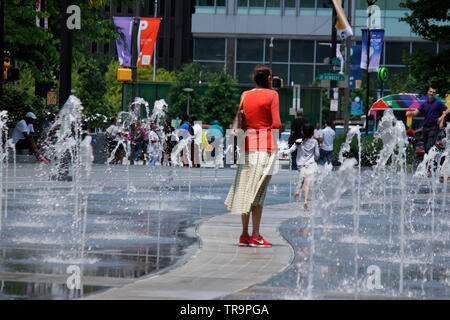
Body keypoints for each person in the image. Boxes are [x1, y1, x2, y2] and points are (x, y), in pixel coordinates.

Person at [224, 65, 281, 248]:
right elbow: (277, 124)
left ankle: (244, 234)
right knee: (258, 195)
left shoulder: (245, 95)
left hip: (247, 147)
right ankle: (256, 235)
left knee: (245, 192)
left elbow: (242, 120)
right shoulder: (273, 95)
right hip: (265, 147)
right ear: (269, 78)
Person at [282, 123, 319, 210]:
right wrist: (315, 157)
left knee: (303, 177)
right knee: (307, 182)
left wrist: (284, 153)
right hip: (310, 164)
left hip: (300, 165)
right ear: (312, 133)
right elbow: (317, 155)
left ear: (302, 132)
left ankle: (298, 190)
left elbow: (291, 150)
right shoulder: (315, 142)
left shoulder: (298, 141)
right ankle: (305, 200)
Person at [406, 86, 448, 154]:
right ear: (428, 92)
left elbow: (448, 110)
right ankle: (430, 162)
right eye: (430, 91)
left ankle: (430, 161)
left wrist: (441, 117)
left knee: (429, 146)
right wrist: (410, 113)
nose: (431, 93)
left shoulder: (438, 103)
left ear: (435, 94)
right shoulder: (424, 103)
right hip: (425, 127)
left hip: (434, 127)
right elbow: (415, 112)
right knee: (425, 147)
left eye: (433, 92)